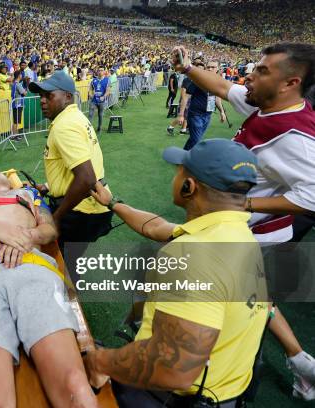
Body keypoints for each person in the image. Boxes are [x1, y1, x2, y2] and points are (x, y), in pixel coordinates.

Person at [172, 42, 315, 400]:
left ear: (290, 83)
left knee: (233, 306)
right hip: (243, 229)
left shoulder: (297, 137)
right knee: (255, 298)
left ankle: (234, 380)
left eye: (262, 70)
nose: (249, 75)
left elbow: (312, 196)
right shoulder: (266, 103)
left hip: (255, 235)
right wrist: (188, 68)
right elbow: (222, 87)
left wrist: (246, 203)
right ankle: (301, 363)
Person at [86, 139, 269, 408]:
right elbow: (157, 227)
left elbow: (174, 368)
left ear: (189, 186)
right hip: (223, 394)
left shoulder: (194, 254)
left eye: (180, 170)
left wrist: (99, 361)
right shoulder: (239, 236)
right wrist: (112, 202)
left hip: (167, 396)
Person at [0, 171, 98, 407]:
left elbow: (49, 230)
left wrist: (22, 238)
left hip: (31, 264)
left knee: (75, 385)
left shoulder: (28, 194)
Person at [28, 70, 112, 270]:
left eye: (49, 95)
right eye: (41, 96)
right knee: (70, 263)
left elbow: (86, 178)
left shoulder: (64, 125)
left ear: (67, 96)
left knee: (61, 267)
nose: (42, 100)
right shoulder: (74, 117)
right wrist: (49, 186)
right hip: (88, 207)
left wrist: (56, 218)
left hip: (79, 212)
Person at [180, 60, 227, 150]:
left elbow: (216, 98)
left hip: (208, 115)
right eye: (208, 67)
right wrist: (181, 115)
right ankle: (186, 159)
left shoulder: (218, 81)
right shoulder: (198, 80)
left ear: (218, 69)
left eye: (213, 67)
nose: (210, 69)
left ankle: (184, 155)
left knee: (194, 139)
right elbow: (186, 97)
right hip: (195, 115)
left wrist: (222, 112)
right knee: (196, 140)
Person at [88, 67, 111, 133]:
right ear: (97, 72)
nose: (100, 71)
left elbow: (108, 91)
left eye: (102, 70)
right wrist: (90, 94)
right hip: (94, 101)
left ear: (104, 72)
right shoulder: (94, 80)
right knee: (90, 114)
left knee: (100, 115)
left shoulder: (107, 80)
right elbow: (90, 89)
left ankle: (99, 128)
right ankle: (89, 130)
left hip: (102, 101)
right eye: (99, 70)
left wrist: (104, 96)